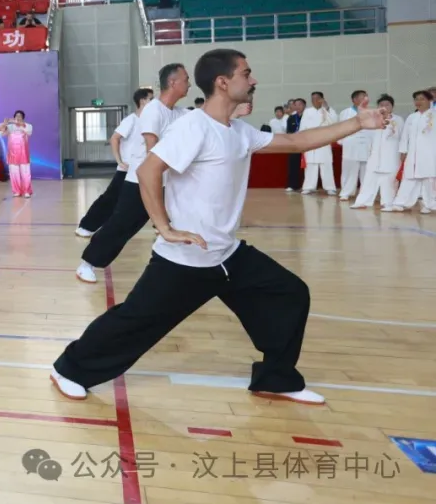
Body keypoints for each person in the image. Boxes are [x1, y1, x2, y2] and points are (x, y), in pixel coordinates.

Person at [49, 48, 389, 405]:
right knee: (135, 322)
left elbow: (294, 141)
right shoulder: (193, 127)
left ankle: (276, 378)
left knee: (289, 294)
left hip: (226, 255)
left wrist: (357, 124)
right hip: (186, 258)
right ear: (223, 83)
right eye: (247, 73)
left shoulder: (238, 131)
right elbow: (149, 170)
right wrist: (165, 227)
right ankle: (69, 368)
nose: (253, 79)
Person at [73, 64, 190, 284]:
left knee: (177, 221)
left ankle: (178, 267)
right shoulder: (154, 110)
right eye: (186, 79)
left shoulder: (180, 113)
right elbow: (151, 149)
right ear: (173, 82)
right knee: (122, 224)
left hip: (165, 181)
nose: (189, 84)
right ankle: (87, 263)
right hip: (141, 180)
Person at [76, 89, 153, 238]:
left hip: (142, 170)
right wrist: (119, 161)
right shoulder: (131, 120)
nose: (154, 102)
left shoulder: (149, 121)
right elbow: (114, 138)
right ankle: (86, 226)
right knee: (110, 198)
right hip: (127, 169)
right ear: (143, 101)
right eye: (151, 99)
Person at [352, 94, 404, 211]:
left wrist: (403, 153)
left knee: (390, 180)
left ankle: (388, 202)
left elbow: (403, 138)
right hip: (375, 155)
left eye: (387, 104)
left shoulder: (398, 120)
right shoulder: (372, 119)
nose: (384, 107)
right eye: (381, 105)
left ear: (392, 106)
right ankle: (362, 201)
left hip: (392, 155)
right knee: (369, 179)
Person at [391, 89, 436, 212]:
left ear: (430, 100)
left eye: (422, 99)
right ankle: (400, 203)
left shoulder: (434, 115)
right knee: (408, 177)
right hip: (412, 154)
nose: (418, 101)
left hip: (429, 154)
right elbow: (405, 136)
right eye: (416, 99)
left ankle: (429, 205)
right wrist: (403, 151)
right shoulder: (412, 117)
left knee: (429, 179)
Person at [300, 92, 338, 195]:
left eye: (317, 99)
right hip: (311, 141)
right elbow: (303, 126)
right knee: (311, 164)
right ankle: (309, 186)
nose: (314, 101)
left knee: (326, 164)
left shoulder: (328, 110)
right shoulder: (307, 111)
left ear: (322, 99)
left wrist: (326, 108)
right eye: (312, 99)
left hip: (324, 141)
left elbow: (334, 122)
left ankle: (330, 187)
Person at [337, 90, 371, 202]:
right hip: (350, 145)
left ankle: (365, 193)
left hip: (366, 145)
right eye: (362, 97)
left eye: (366, 97)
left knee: (366, 171)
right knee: (349, 170)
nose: (365, 99)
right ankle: (346, 192)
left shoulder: (370, 112)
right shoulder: (345, 113)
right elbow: (341, 129)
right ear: (354, 100)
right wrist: (342, 142)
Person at [0, 111, 34, 197]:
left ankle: (26, 191)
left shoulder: (28, 125)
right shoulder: (10, 127)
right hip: (12, 154)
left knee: (26, 173)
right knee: (14, 173)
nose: (18, 118)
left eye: (20, 116)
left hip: (23, 154)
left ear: (23, 118)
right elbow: (2, 134)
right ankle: (17, 191)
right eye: (16, 116)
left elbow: (29, 132)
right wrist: (4, 124)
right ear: (14, 117)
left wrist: (21, 125)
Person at [285, 99, 304, 192]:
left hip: (307, 143)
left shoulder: (308, 116)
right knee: (293, 164)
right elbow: (288, 132)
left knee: (308, 165)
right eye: (296, 105)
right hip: (295, 144)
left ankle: (308, 185)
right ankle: (293, 185)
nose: (298, 106)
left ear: (304, 105)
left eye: (300, 104)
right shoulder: (291, 118)